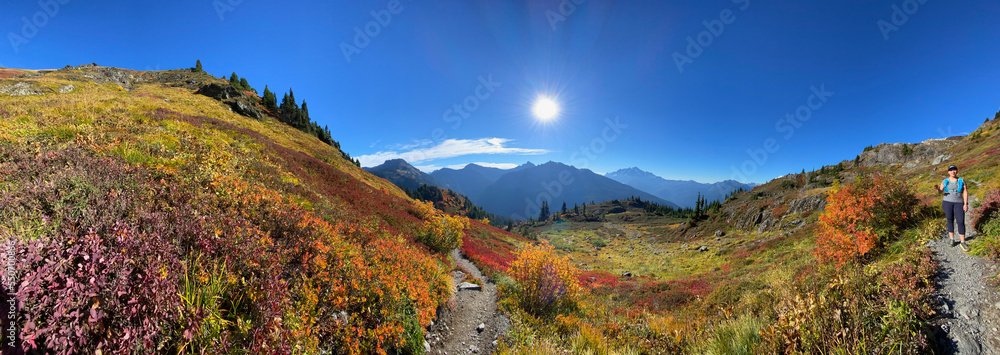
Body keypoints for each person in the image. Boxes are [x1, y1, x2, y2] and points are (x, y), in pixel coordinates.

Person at [935, 165, 970, 251]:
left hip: (959, 203)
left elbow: (965, 192)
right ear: (948, 172)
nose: (953, 171)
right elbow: (940, 191)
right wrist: (938, 189)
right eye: (951, 170)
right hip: (947, 203)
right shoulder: (945, 181)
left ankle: (962, 242)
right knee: (949, 220)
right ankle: (952, 239)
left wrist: (965, 204)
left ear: (957, 171)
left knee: (960, 221)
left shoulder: (961, 180)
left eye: (954, 170)